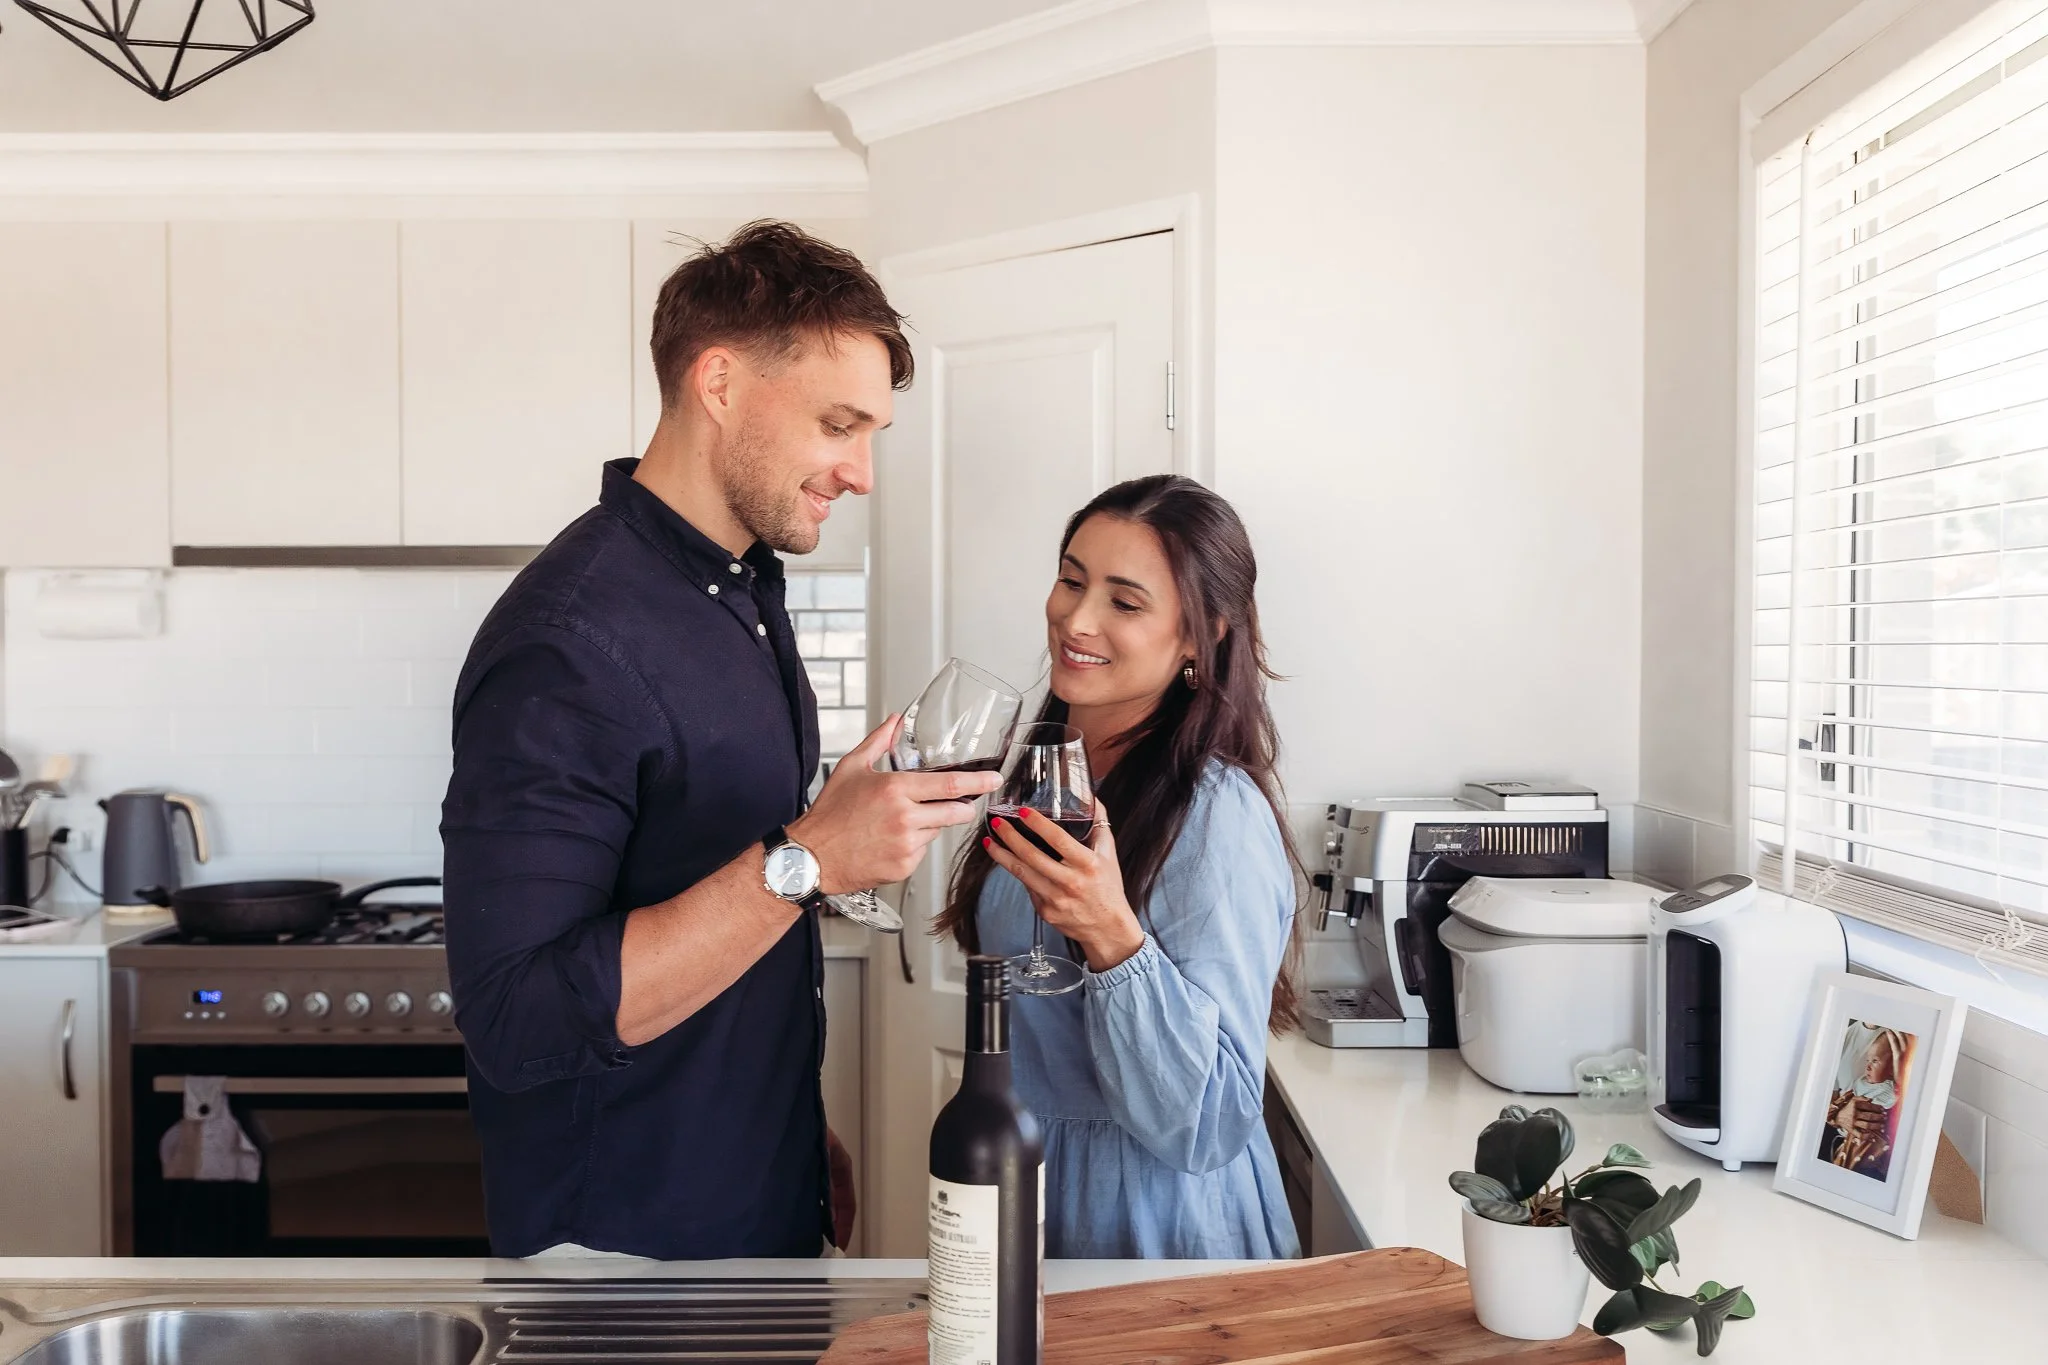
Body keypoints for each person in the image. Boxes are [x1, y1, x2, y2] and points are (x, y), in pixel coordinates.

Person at [441, 221, 1000, 1260]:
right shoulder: (568, 642)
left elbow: (716, 904)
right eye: (840, 424)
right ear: (720, 383)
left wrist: (792, 1137)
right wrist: (810, 859)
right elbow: (518, 1018)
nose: (862, 472)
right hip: (622, 1252)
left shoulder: (741, 591)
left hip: (746, 1200)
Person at [936, 474, 1304, 1259]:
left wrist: (1111, 936)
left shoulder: (1216, 816)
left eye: (1125, 602)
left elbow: (1206, 1121)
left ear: (1201, 638)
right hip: (1029, 1196)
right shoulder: (1046, 781)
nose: (1076, 616)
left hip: (1152, 1222)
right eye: (1071, 578)